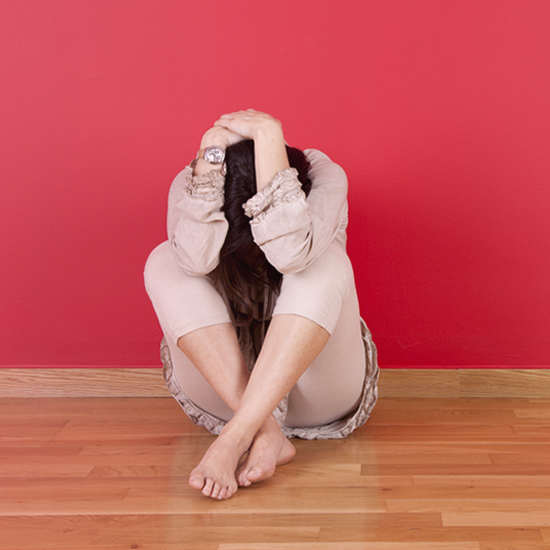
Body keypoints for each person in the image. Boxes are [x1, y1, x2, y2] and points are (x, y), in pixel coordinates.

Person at [143, 109, 378, 500]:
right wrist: (212, 145)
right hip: (225, 391)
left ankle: (235, 439)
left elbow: (289, 253)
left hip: (317, 390)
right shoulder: (194, 179)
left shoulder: (325, 177)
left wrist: (269, 133)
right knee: (165, 259)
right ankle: (264, 431)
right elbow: (197, 259)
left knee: (324, 263)